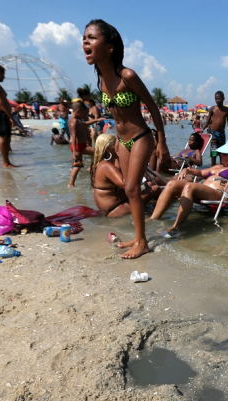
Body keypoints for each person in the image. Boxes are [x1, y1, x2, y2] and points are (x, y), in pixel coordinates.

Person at [83, 19, 170, 259]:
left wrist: (161, 143)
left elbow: (153, 107)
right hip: (122, 141)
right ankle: (139, 237)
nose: (85, 42)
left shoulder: (127, 75)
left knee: (131, 188)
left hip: (141, 137)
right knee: (131, 191)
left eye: (91, 38)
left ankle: (142, 243)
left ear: (109, 47)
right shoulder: (101, 80)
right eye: (84, 38)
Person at [150, 140, 228, 236]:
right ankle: (153, 218)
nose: (220, 155)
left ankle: (175, 227)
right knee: (172, 184)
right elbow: (200, 172)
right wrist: (186, 170)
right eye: (220, 153)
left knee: (189, 186)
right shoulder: (218, 166)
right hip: (203, 190)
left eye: (223, 154)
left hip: (219, 194)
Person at [91, 134, 158, 218]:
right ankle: (157, 216)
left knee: (149, 185)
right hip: (116, 210)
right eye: (117, 146)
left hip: (113, 208)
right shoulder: (106, 166)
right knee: (155, 189)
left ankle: (155, 208)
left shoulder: (99, 164)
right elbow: (127, 186)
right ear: (108, 149)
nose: (120, 148)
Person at [201, 91, 228, 165]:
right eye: (216, 99)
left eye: (219, 98)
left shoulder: (226, 110)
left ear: (223, 99)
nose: (217, 100)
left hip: (222, 134)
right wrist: (202, 129)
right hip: (213, 133)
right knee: (214, 153)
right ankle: (212, 167)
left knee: (222, 153)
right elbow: (207, 122)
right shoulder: (212, 109)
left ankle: (221, 168)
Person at [68, 102, 95, 188]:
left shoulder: (76, 120)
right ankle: (91, 168)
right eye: (84, 113)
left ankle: (71, 184)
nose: (85, 115)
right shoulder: (74, 121)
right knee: (98, 152)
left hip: (78, 146)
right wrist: (75, 151)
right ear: (78, 111)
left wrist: (97, 120)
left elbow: (85, 124)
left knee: (77, 166)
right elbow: (74, 135)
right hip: (79, 147)